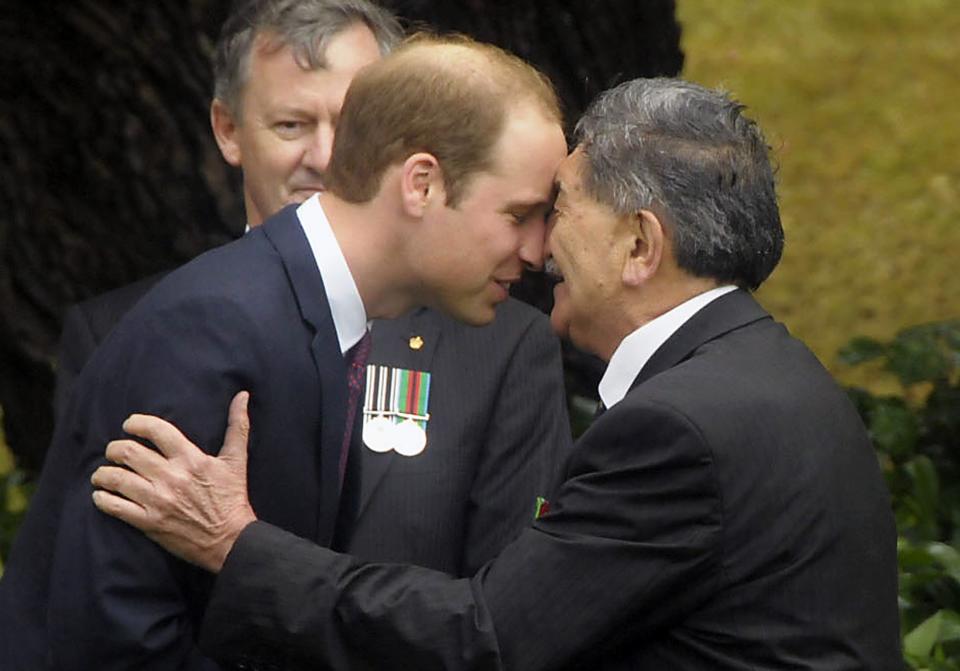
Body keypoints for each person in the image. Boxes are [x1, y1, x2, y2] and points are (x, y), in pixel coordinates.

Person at [94, 78, 902, 669]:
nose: (539, 245)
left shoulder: (679, 429)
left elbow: (488, 636)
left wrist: (237, 545)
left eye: (560, 209)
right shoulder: (774, 372)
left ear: (638, 247)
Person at [0, 34, 568, 669]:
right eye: (520, 214)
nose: (538, 250)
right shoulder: (211, 327)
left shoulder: (308, 315)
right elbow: (113, 637)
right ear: (423, 185)